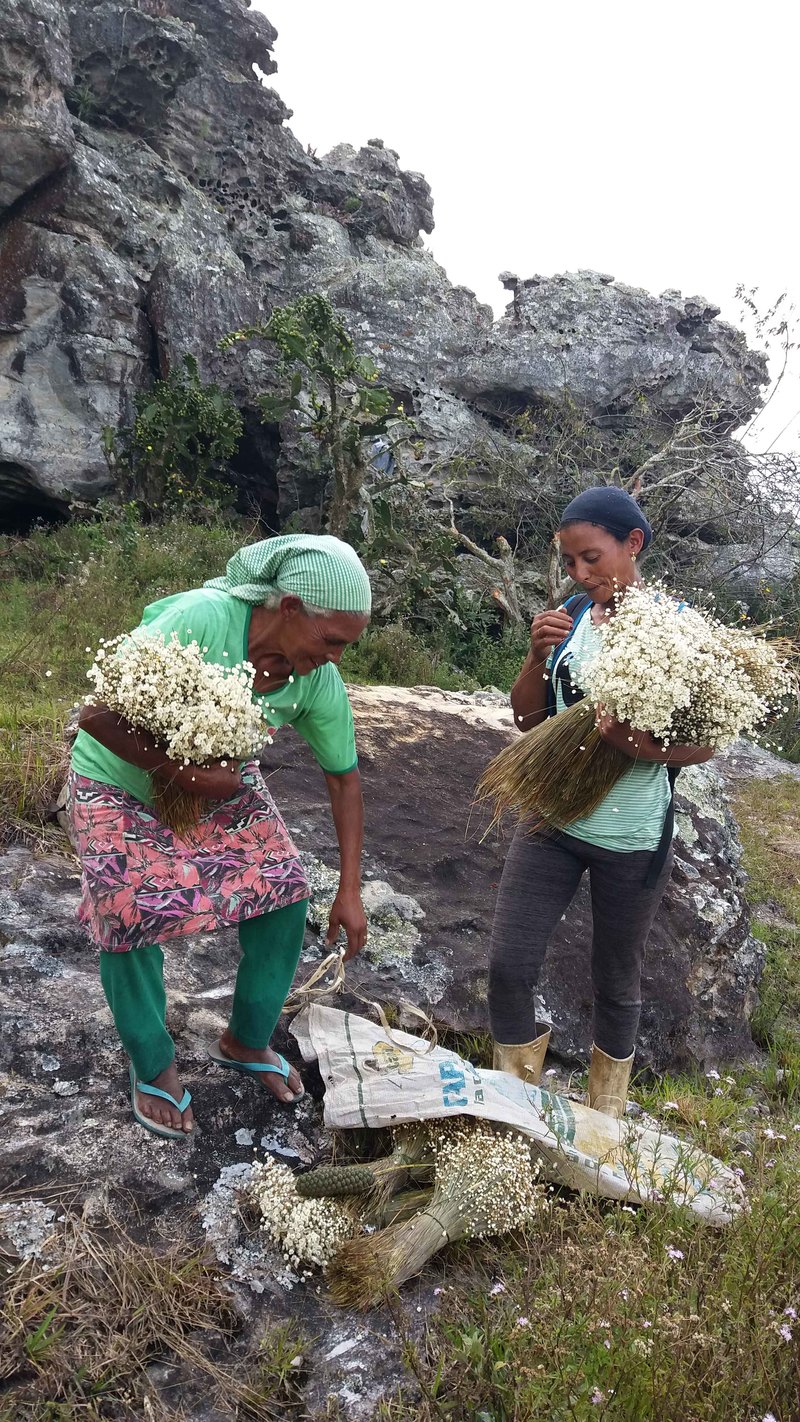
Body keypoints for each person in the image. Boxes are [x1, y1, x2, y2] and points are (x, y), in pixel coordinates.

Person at [67, 533, 371, 1140]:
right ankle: (152, 1059)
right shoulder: (201, 619)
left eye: (346, 645)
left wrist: (351, 889)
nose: (337, 656)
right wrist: (183, 772)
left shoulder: (312, 679)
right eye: (330, 639)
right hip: (118, 781)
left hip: (218, 786)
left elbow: (344, 779)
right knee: (128, 907)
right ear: (288, 608)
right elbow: (95, 714)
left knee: (285, 891)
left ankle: (245, 1039)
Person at [487, 486, 714, 1117]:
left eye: (591, 558)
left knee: (616, 980)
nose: (581, 575)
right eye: (569, 563)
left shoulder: (676, 629)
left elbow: (706, 745)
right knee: (509, 965)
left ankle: (604, 1118)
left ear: (633, 543)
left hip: (633, 839)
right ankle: (516, 1108)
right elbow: (530, 720)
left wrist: (641, 747)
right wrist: (535, 657)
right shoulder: (571, 618)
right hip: (552, 819)